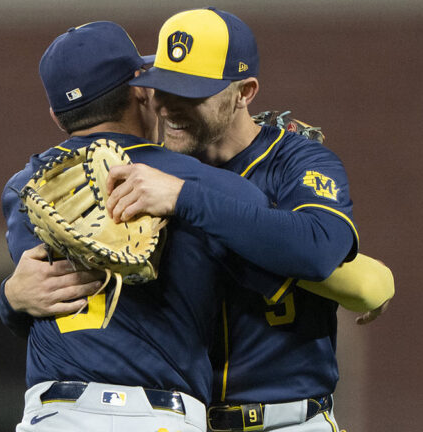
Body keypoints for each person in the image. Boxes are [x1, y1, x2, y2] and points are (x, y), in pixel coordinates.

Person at [0, 21, 300, 432]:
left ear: (56, 116)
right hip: (159, 412)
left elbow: (33, 300)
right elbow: (294, 265)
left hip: (53, 414)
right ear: (141, 91)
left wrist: (9, 300)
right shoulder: (208, 185)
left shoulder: (22, 191)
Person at [106, 7, 394, 431]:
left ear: (245, 92)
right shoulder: (151, 169)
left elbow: (318, 249)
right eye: (163, 88)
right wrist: (14, 296)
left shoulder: (294, 159)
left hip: (289, 418)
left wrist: (185, 198)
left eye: (192, 92)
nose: (169, 107)